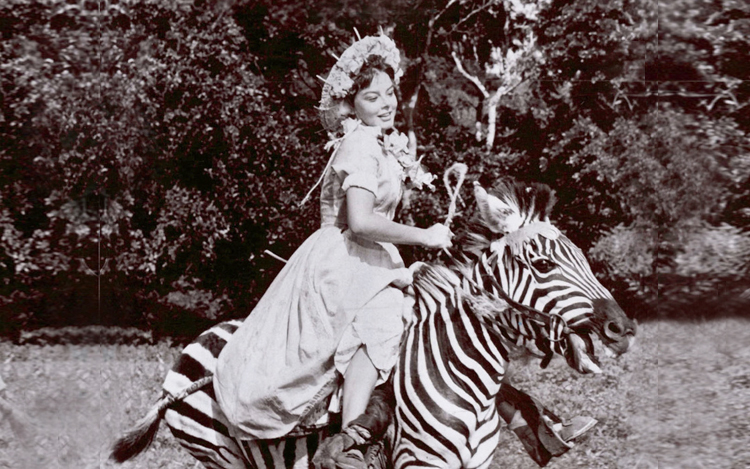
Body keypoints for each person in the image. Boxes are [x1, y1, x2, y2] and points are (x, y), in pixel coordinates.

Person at [213, 34, 452, 442]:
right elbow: (360, 221)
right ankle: (351, 443)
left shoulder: (381, 146)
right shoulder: (359, 144)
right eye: (372, 98)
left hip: (370, 257)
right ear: (351, 106)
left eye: (389, 93)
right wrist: (425, 237)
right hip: (345, 257)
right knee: (383, 322)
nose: (387, 103)